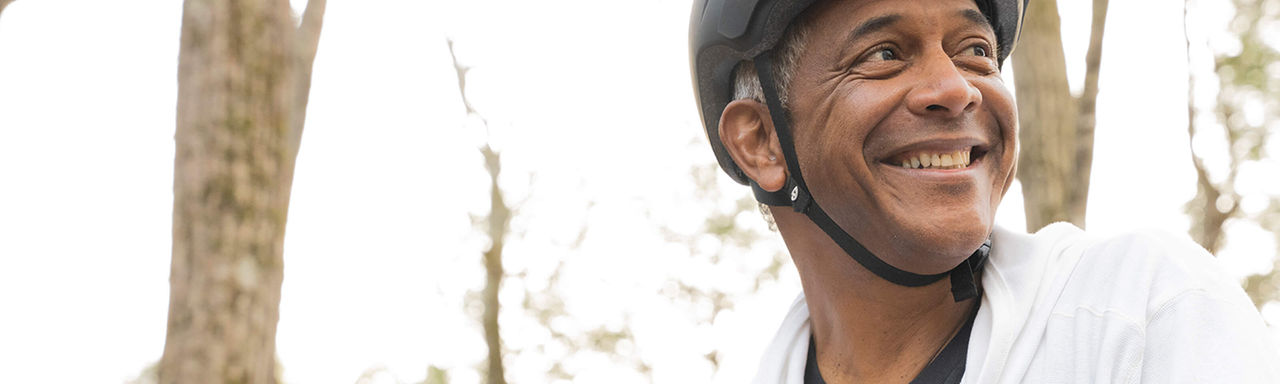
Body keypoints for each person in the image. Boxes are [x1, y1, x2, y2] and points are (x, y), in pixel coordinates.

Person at [687, 0, 1279, 383]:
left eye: (975, 52)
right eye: (884, 54)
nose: (955, 88)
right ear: (761, 142)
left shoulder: (1144, 308)